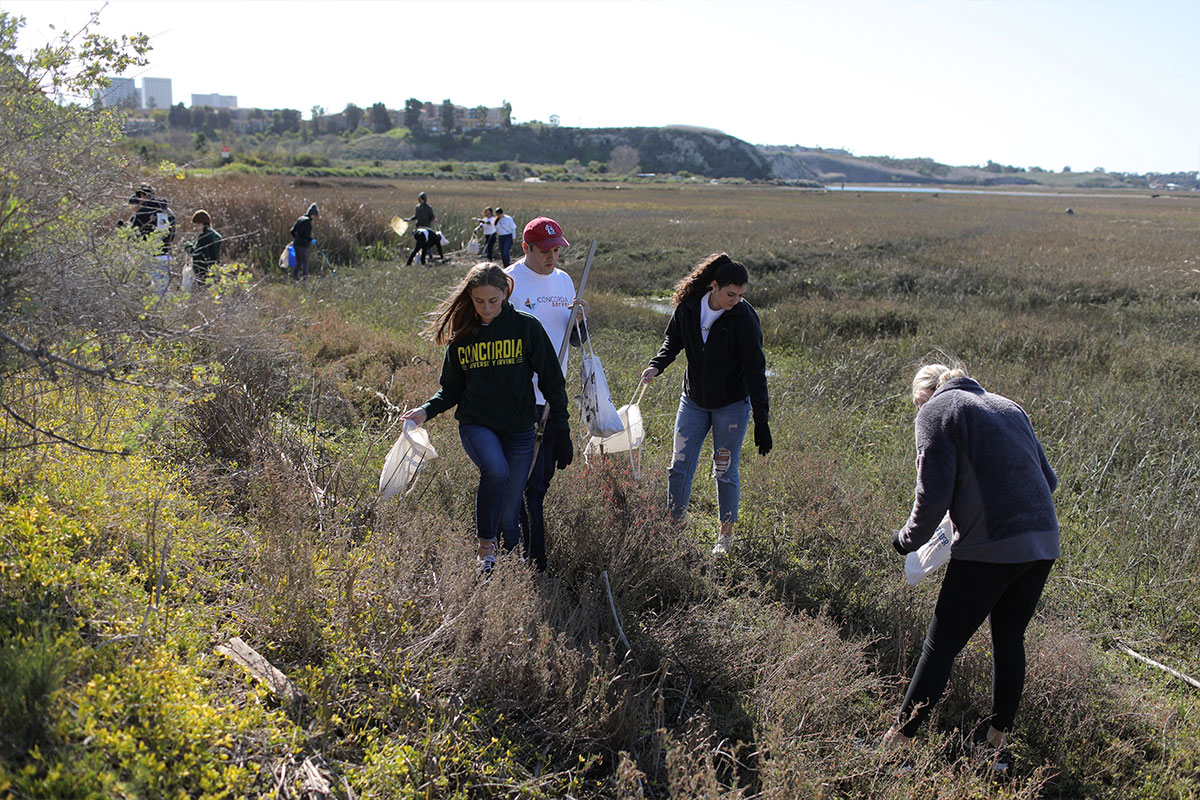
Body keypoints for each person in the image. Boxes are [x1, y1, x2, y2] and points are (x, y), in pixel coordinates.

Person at [883, 363, 1059, 769]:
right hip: (1042, 541)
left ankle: (898, 744)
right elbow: (1047, 481)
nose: (917, 414)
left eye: (916, 407)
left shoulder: (937, 413)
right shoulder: (1008, 407)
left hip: (989, 546)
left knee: (940, 645)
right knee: (1009, 641)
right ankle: (994, 747)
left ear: (924, 398)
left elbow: (932, 497)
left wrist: (904, 540)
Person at [401, 263, 572, 574]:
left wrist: (562, 428)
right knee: (495, 470)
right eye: (479, 301)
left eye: (493, 300)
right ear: (470, 297)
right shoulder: (463, 337)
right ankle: (484, 549)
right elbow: (451, 390)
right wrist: (425, 411)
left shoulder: (526, 328)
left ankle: (511, 564)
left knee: (510, 509)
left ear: (505, 293)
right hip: (477, 424)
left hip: (519, 428)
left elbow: (552, 381)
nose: (486, 308)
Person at [640, 253, 771, 557]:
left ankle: (724, 538)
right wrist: (657, 365)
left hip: (731, 406)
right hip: (694, 401)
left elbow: (755, 369)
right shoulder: (688, 308)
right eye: (730, 294)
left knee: (724, 470)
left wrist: (761, 420)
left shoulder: (744, 318)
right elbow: (673, 341)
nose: (736, 301)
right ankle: (674, 530)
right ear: (714, 286)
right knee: (679, 466)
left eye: (741, 295)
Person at [505, 217, 585, 572]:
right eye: (545, 250)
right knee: (530, 483)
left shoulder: (565, 281)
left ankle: (519, 545)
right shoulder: (509, 282)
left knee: (542, 480)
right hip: (521, 398)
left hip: (554, 398)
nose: (552, 257)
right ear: (526, 248)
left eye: (557, 250)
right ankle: (531, 559)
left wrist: (580, 323)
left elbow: (575, 341)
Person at [127, 184, 176, 295]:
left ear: (142, 195)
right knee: (163, 290)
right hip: (165, 256)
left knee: (143, 291)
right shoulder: (169, 212)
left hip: (147, 257)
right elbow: (172, 234)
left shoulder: (143, 212)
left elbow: (132, 235)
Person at [184, 209, 222, 287]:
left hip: (203, 272)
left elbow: (199, 254)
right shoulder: (216, 235)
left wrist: (189, 247)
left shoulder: (204, 236)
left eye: (197, 224)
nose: (196, 227)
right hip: (214, 270)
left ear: (203, 223)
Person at [289, 203, 318, 280]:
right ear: (312, 214)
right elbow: (304, 234)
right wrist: (311, 239)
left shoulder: (300, 219)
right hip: (302, 245)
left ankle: (294, 277)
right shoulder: (307, 221)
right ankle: (305, 279)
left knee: (299, 262)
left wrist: (296, 239)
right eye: (315, 215)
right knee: (305, 262)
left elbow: (292, 231)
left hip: (296, 244)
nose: (315, 217)